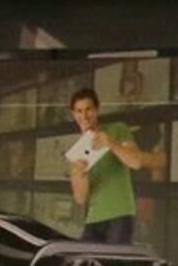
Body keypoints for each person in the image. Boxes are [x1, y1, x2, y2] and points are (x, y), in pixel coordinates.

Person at [63, 87, 162, 246]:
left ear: (96, 110)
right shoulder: (77, 151)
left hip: (120, 214)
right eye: (79, 111)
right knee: (87, 264)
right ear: (74, 115)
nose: (84, 115)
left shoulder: (117, 129)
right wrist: (80, 175)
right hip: (93, 218)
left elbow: (136, 163)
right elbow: (80, 199)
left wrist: (110, 143)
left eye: (88, 109)